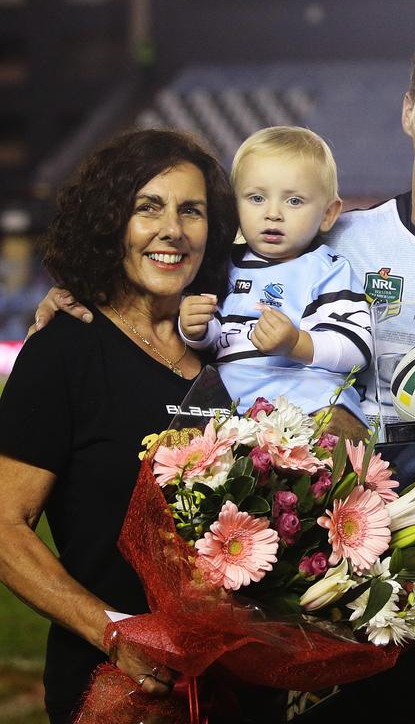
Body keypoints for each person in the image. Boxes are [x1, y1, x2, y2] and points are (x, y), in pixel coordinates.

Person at [35, 10, 415, 724]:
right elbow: (173, 264)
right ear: (409, 112)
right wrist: (82, 302)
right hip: (341, 627)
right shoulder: (328, 238)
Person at [0, 129, 237, 723]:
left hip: (244, 687)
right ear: (110, 223)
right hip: (118, 694)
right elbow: (5, 525)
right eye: (147, 207)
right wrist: (113, 632)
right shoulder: (65, 352)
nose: (172, 230)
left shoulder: (231, 352)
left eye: (192, 210)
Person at [179, 126, 371, 417]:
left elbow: (357, 348)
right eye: (256, 198)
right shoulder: (222, 264)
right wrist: (195, 329)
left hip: (308, 401)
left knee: (338, 426)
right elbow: (216, 338)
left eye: (294, 201)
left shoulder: (328, 269)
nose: (273, 213)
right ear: (234, 206)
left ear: (328, 214)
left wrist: (297, 343)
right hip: (231, 403)